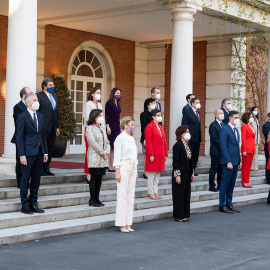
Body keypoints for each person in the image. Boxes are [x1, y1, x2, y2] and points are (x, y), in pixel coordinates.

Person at [16, 93, 48, 214]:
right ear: (28, 103)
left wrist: (45, 152)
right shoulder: (22, 116)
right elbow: (20, 138)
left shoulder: (40, 116)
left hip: (39, 153)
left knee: (36, 180)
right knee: (25, 180)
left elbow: (42, 135)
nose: (37, 102)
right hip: (27, 154)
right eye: (34, 100)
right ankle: (25, 205)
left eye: (37, 99)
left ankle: (33, 203)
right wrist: (22, 155)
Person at [114, 116, 138, 233]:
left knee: (130, 195)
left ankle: (128, 223)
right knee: (122, 195)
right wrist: (117, 172)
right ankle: (121, 223)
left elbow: (135, 156)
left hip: (132, 167)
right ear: (125, 125)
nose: (133, 127)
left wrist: (136, 170)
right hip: (123, 166)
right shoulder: (120, 138)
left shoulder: (131, 138)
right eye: (131, 124)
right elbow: (117, 156)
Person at [219, 110, 241, 214]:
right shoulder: (225, 130)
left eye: (238, 117)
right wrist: (228, 161)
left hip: (236, 161)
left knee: (231, 184)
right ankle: (222, 205)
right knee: (225, 183)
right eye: (236, 117)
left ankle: (229, 203)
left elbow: (237, 147)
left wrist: (239, 160)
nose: (237, 119)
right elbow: (224, 147)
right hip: (228, 162)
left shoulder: (236, 130)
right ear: (230, 118)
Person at [86, 109, 110, 207]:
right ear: (94, 117)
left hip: (103, 158)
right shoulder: (90, 128)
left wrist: (106, 151)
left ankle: (97, 198)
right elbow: (92, 142)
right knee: (94, 178)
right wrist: (101, 152)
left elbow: (107, 141)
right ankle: (92, 199)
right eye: (99, 115)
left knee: (99, 178)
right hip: (94, 157)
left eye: (102, 115)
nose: (101, 117)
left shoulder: (102, 128)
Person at [37, 78, 59, 176]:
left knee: (50, 149)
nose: (52, 87)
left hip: (53, 128)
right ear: (44, 86)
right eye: (50, 85)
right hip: (43, 127)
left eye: (53, 85)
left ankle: (47, 168)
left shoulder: (55, 97)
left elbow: (56, 113)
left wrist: (57, 127)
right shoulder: (38, 96)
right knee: (42, 149)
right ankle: (40, 169)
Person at [11, 87, 32, 188]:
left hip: (31, 139)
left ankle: (27, 180)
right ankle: (20, 183)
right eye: (30, 93)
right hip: (21, 138)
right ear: (24, 96)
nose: (33, 95)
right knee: (20, 161)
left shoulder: (33, 107)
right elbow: (19, 123)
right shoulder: (18, 107)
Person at [144, 109, 168, 200]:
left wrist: (165, 154)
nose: (159, 117)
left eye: (160, 115)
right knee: (151, 174)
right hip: (153, 153)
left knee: (157, 174)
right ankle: (150, 192)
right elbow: (149, 142)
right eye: (158, 115)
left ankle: (155, 191)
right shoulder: (149, 127)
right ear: (153, 116)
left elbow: (164, 141)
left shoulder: (161, 127)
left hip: (160, 154)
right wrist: (151, 154)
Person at [172, 126, 194, 222]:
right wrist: (177, 174)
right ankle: (179, 215)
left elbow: (190, 160)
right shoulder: (177, 145)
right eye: (186, 132)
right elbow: (176, 161)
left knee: (186, 195)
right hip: (180, 173)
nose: (188, 133)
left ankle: (185, 214)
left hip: (187, 173)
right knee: (179, 195)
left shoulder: (187, 145)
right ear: (181, 134)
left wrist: (192, 172)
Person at [84, 87, 103, 183]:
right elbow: (88, 117)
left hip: (99, 130)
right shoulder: (89, 104)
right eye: (97, 92)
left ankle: (97, 172)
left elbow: (102, 118)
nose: (99, 94)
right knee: (90, 151)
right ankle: (88, 174)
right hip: (90, 129)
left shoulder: (99, 104)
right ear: (92, 94)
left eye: (100, 92)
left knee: (98, 151)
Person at [181, 98, 202, 171]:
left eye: (199, 102)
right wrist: (185, 136)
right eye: (197, 102)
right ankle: (188, 170)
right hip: (190, 137)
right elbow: (184, 124)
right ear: (192, 103)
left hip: (197, 136)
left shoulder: (198, 112)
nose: (199, 103)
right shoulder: (188, 112)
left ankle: (193, 170)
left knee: (195, 155)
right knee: (189, 154)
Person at [105, 88, 121, 172]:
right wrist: (107, 126)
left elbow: (118, 116)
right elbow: (106, 116)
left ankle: (112, 164)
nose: (119, 94)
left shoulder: (118, 104)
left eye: (119, 93)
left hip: (117, 126)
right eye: (117, 93)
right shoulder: (109, 103)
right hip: (111, 126)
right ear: (113, 93)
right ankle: (108, 165)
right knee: (110, 146)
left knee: (114, 147)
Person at [208, 109, 224, 192]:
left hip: (222, 151)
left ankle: (220, 185)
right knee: (214, 169)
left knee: (221, 169)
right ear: (216, 115)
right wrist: (222, 145)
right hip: (215, 150)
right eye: (220, 113)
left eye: (223, 113)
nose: (222, 114)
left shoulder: (224, 125)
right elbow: (214, 138)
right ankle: (211, 185)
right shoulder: (213, 125)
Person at [140, 97, 156, 179]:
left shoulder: (154, 114)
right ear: (147, 105)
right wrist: (145, 139)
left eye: (154, 103)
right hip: (146, 137)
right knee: (147, 155)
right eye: (152, 103)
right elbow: (143, 127)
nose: (154, 104)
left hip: (154, 137)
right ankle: (145, 172)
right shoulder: (143, 114)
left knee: (152, 155)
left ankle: (150, 171)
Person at [241, 112, 256, 188]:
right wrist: (244, 150)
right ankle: (244, 181)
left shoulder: (252, 126)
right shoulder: (244, 126)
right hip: (246, 149)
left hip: (252, 149)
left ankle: (247, 181)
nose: (251, 118)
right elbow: (243, 139)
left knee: (249, 167)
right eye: (250, 116)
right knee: (245, 167)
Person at [250, 106, 260, 171]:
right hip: (252, 139)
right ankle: (252, 167)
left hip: (256, 139)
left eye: (257, 110)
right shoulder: (251, 119)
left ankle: (255, 167)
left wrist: (258, 139)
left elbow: (257, 130)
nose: (256, 111)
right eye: (255, 110)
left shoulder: (256, 119)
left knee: (256, 154)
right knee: (252, 154)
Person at [262, 112, 270, 183]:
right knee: (268, 162)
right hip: (268, 147)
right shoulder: (266, 125)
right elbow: (267, 134)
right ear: (268, 117)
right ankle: (268, 178)